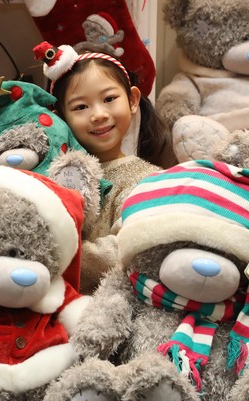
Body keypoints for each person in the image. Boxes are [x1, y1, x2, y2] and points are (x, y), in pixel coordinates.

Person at [46, 46, 170, 294]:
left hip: (112, 302)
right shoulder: (51, 177)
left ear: (132, 100)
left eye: (109, 99)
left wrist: (48, 255)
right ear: (60, 118)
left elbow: (129, 248)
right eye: (81, 107)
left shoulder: (148, 179)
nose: (98, 115)